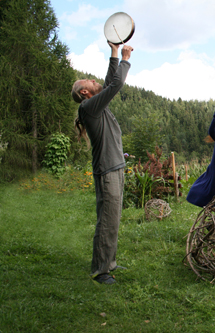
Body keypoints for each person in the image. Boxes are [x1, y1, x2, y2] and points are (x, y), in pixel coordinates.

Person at [72, 42, 134, 285]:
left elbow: (108, 83)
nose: (92, 80)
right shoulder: (88, 107)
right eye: (88, 81)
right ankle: (101, 271)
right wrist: (126, 60)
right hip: (107, 170)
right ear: (84, 93)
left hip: (115, 167)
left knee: (113, 219)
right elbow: (116, 84)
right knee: (107, 221)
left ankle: (110, 262)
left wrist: (115, 51)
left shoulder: (96, 104)